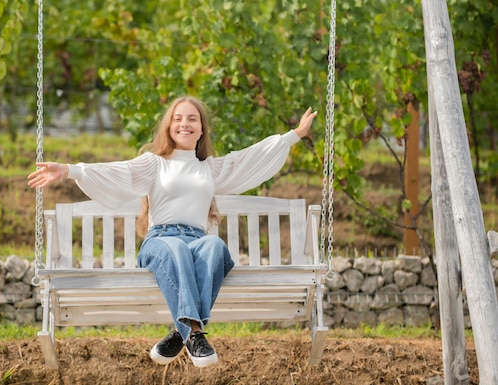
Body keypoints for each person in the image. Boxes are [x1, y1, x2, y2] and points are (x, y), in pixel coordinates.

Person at [28, 95, 317, 368]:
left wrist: (296, 134)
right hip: (160, 243)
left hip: (196, 241)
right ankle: (194, 331)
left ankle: (182, 336)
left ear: (202, 128)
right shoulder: (154, 164)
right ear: (169, 126)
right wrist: (68, 170)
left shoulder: (210, 169)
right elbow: (118, 172)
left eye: (192, 119)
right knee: (176, 247)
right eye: (178, 118)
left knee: (215, 245)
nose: (184, 124)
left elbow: (249, 158)